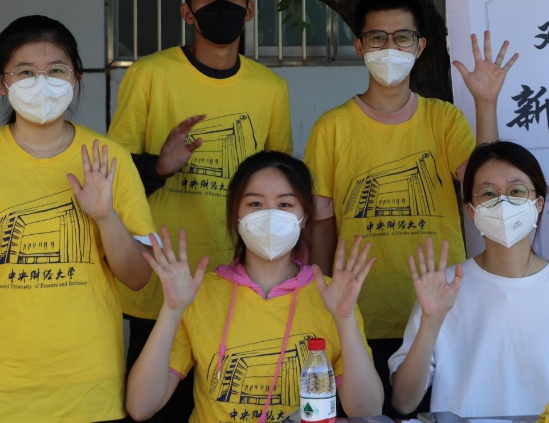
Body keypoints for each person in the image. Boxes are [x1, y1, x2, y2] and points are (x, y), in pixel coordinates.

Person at [0, 15, 155, 423]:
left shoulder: (109, 158)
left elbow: (138, 278)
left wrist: (105, 217)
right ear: (2, 83)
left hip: (92, 388)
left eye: (56, 70)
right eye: (25, 72)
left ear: (76, 78)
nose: (41, 83)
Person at [303, 0, 515, 415]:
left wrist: (485, 104)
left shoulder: (444, 119)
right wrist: (326, 298)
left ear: (419, 47)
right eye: (377, 38)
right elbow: (322, 224)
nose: (390, 48)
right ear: (359, 46)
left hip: (439, 313)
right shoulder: (331, 128)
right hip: (360, 314)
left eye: (402, 37)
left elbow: (486, 186)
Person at [108, 0, 292, 420]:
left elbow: (281, 183)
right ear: (187, 12)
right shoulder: (149, 75)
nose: (221, 4)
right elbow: (112, 176)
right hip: (159, 282)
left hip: (236, 280)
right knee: (153, 407)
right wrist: (160, 165)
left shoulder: (271, 88)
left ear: (249, 9)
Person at [125, 151, 383, 422]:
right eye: (255, 203)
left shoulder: (333, 297)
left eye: (285, 204)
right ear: (235, 214)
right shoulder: (198, 294)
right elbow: (141, 406)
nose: (270, 215)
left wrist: (344, 319)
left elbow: (367, 411)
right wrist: (171, 310)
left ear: (305, 217)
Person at [389, 141, 549, 417]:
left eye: (516, 191)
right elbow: (403, 402)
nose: (503, 202)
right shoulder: (444, 288)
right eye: (488, 193)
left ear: (539, 203)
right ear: (471, 210)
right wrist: (431, 321)